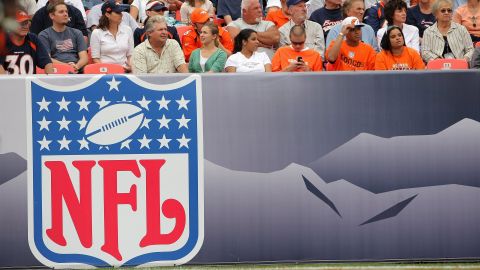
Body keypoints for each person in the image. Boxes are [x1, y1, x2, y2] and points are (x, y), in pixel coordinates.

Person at [38, 1, 88, 73]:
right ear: (52, 16)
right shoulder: (44, 35)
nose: (65, 14)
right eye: (61, 12)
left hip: (77, 70)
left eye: (66, 12)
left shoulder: (77, 33)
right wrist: (66, 67)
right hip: (55, 72)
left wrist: (76, 67)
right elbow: (47, 59)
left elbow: (84, 58)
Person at [0, 10, 53, 74]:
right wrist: (5, 83)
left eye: (26, 23)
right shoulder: (3, 41)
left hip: (29, 83)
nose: (25, 26)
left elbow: (47, 62)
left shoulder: (33, 39)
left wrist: (49, 80)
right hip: (8, 83)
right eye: (20, 23)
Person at [90, 0, 134, 72]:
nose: (121, 14)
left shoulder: (128, 30)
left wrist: (130, 67)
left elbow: (130, 55)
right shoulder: (96, 33)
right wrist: (107, 71)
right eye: (117, 12)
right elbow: (96, 59)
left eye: (121, 12)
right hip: (105, 73)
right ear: (107, 14)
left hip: (125, 71)